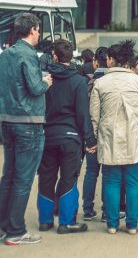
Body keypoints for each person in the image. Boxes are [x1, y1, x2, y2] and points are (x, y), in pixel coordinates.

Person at [90, 41, 138, 234]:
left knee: (111, 180)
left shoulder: (100, 83)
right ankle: (132, 225)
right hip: (135, 137)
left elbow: (94, 115)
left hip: (108, 137)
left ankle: (112, 224)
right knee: (133, 180)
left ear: (110, 60)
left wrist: (94, 139)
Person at [0, 13, 52, 245]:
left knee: (8, 176)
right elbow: (34, 87)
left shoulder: (6, 54)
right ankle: (16, 231)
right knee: (23, 179)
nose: (39, 34)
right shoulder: (29, 55)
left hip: (7, 120)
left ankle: (3, 226)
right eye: (38, 30)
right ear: (32, 30)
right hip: (28, 122)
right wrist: (46, 82)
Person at [37, 40, 97, 234]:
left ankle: (45, 221)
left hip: (48, 135)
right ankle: (66, 222)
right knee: (68, 179)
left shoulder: (45, 79)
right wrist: (90, 140)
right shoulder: (79, 81)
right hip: (70, 137)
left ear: (54, 55)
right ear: (71, 57)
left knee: (46, 177)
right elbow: (82, 114)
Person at [82, 46, 108, 221]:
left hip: (91, 133)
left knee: (91, 172)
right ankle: (107, 210)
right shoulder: (113, 82)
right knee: (109, 174)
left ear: (95, 62)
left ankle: (87, 209)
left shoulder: (89, 83)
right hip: (108, 134)